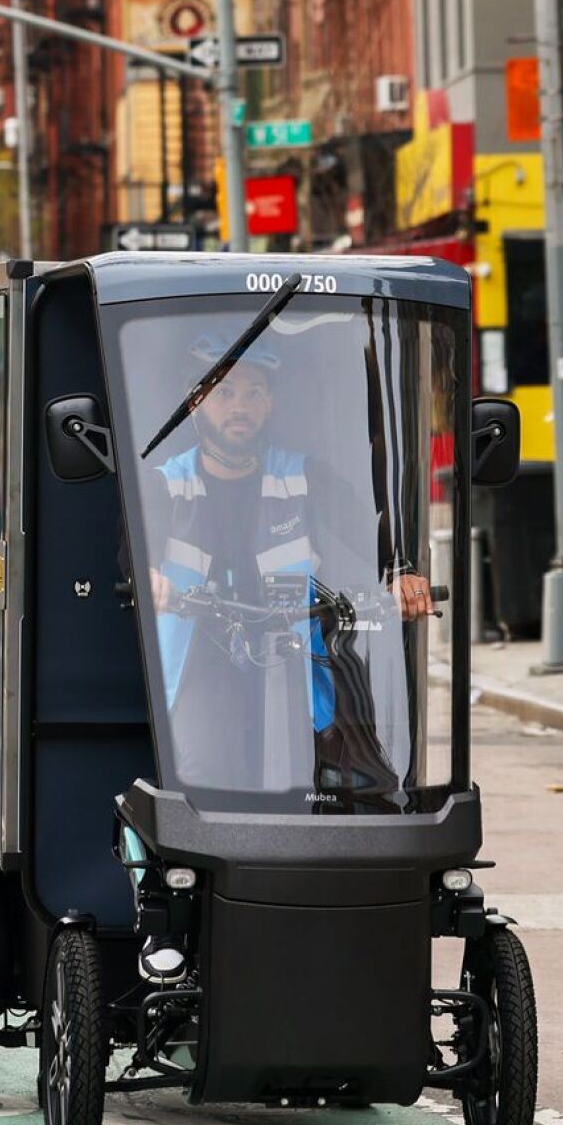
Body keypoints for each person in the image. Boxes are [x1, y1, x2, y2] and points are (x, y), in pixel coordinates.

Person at [146, 335, 432, 802]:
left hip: (298, 647)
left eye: (254, 392)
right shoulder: (167, 484)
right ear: (196, 405)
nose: (240, 405)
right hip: (203, 654)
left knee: (360, 769)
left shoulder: (301, 475)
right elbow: (135, 546)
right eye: (225, 393)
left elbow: (365, 526)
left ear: (270, 403)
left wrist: (402, 571)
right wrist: (150, 576)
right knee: (202, 769)